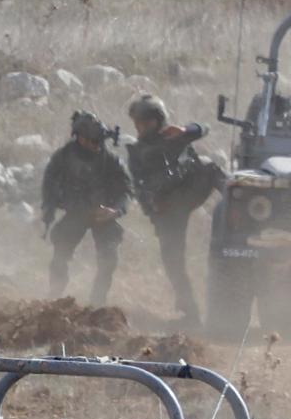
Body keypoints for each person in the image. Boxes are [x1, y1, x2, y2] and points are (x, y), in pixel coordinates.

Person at [125, 95, 218, 323]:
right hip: (168, 207)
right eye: (138, 124)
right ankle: (190, 312)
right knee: (172, 260)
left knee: (210, 167)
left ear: (158, 121)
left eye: (146, 123)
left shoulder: (173, 137)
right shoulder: (138, 153)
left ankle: (239, 202)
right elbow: (139, 187)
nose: (142, 128)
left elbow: (205, 128)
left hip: (190, 191)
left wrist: (185, 130)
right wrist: (154, 209)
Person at [41, 111, 132, 305]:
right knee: (60, 255)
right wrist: (49, 209)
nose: (96, 146)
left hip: (103, 215)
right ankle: (55, 296)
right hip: (76, 213)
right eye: (91, 141)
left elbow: (126, 191)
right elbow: (49, 186)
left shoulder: (110, 160)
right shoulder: (63, 158)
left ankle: (97, 302)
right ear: (80, 138)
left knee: (109, 258)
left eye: (98, 142)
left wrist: (115, 210)